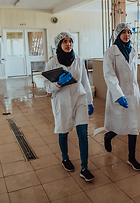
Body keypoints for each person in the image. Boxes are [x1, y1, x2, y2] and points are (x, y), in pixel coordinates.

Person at [44, 31, 94, 182]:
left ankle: (84, 167)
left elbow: (85, 81)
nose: (68, 44)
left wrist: (90, 101)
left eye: (70, 41)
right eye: (65, 41)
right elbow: (47, 86)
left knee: (83, 133)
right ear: (59, 44)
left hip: (79, 98)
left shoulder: (79, 60)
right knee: (63, 131)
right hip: (62, 100)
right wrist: (59, 83)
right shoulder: (52, 62)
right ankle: (65, 158)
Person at [103, 23, 140, 171]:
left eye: (129, 33)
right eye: (123, 32)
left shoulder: (133, 51)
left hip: (133, 93)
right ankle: (108, 136)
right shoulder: (110, 52)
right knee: (119, 123)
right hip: (118, 93)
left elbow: (133, 74)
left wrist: (133, 91)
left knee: (133, 126)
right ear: (117, 34)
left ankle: (131, 158)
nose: (127, 35)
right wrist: (118, 94)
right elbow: (109, 75)